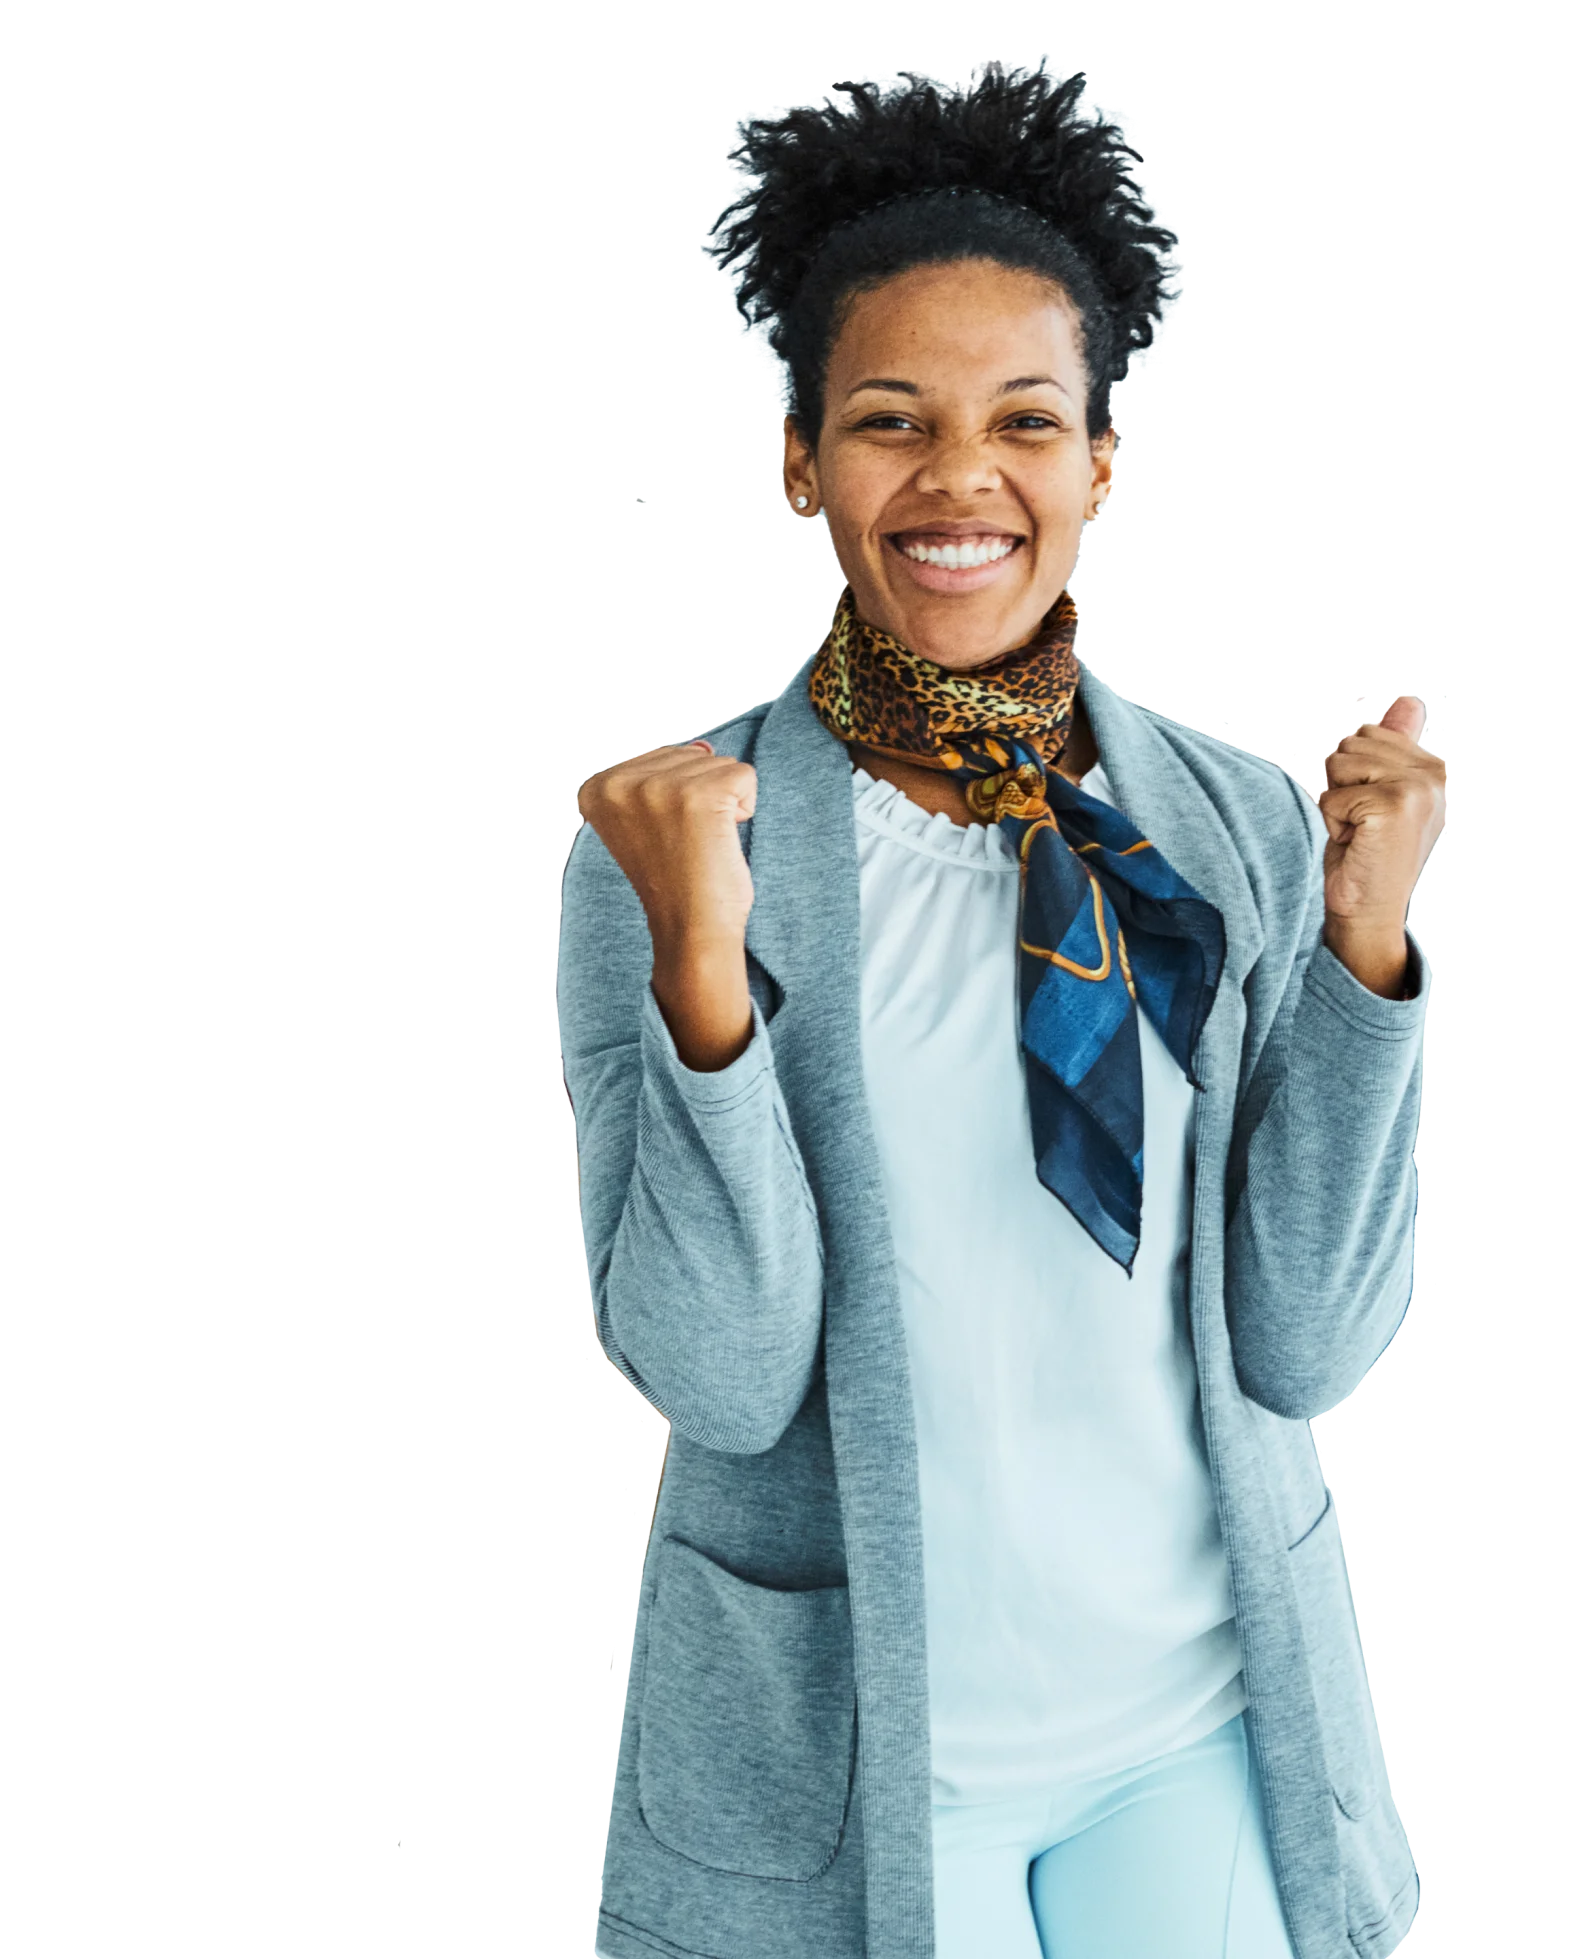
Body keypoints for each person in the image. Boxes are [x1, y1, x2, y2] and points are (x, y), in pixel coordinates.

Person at [565, 57, 1432, 1959]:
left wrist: (1365, 946)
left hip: (1197, 1717)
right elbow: (716, 1375)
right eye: (889, 421)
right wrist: (702, 973)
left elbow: (1303, 1345)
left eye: (1024, 420)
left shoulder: (1232, 823)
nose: (960, 478)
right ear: (796, 456)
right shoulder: (672, 838)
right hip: (855, 1733)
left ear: (1102, 458)